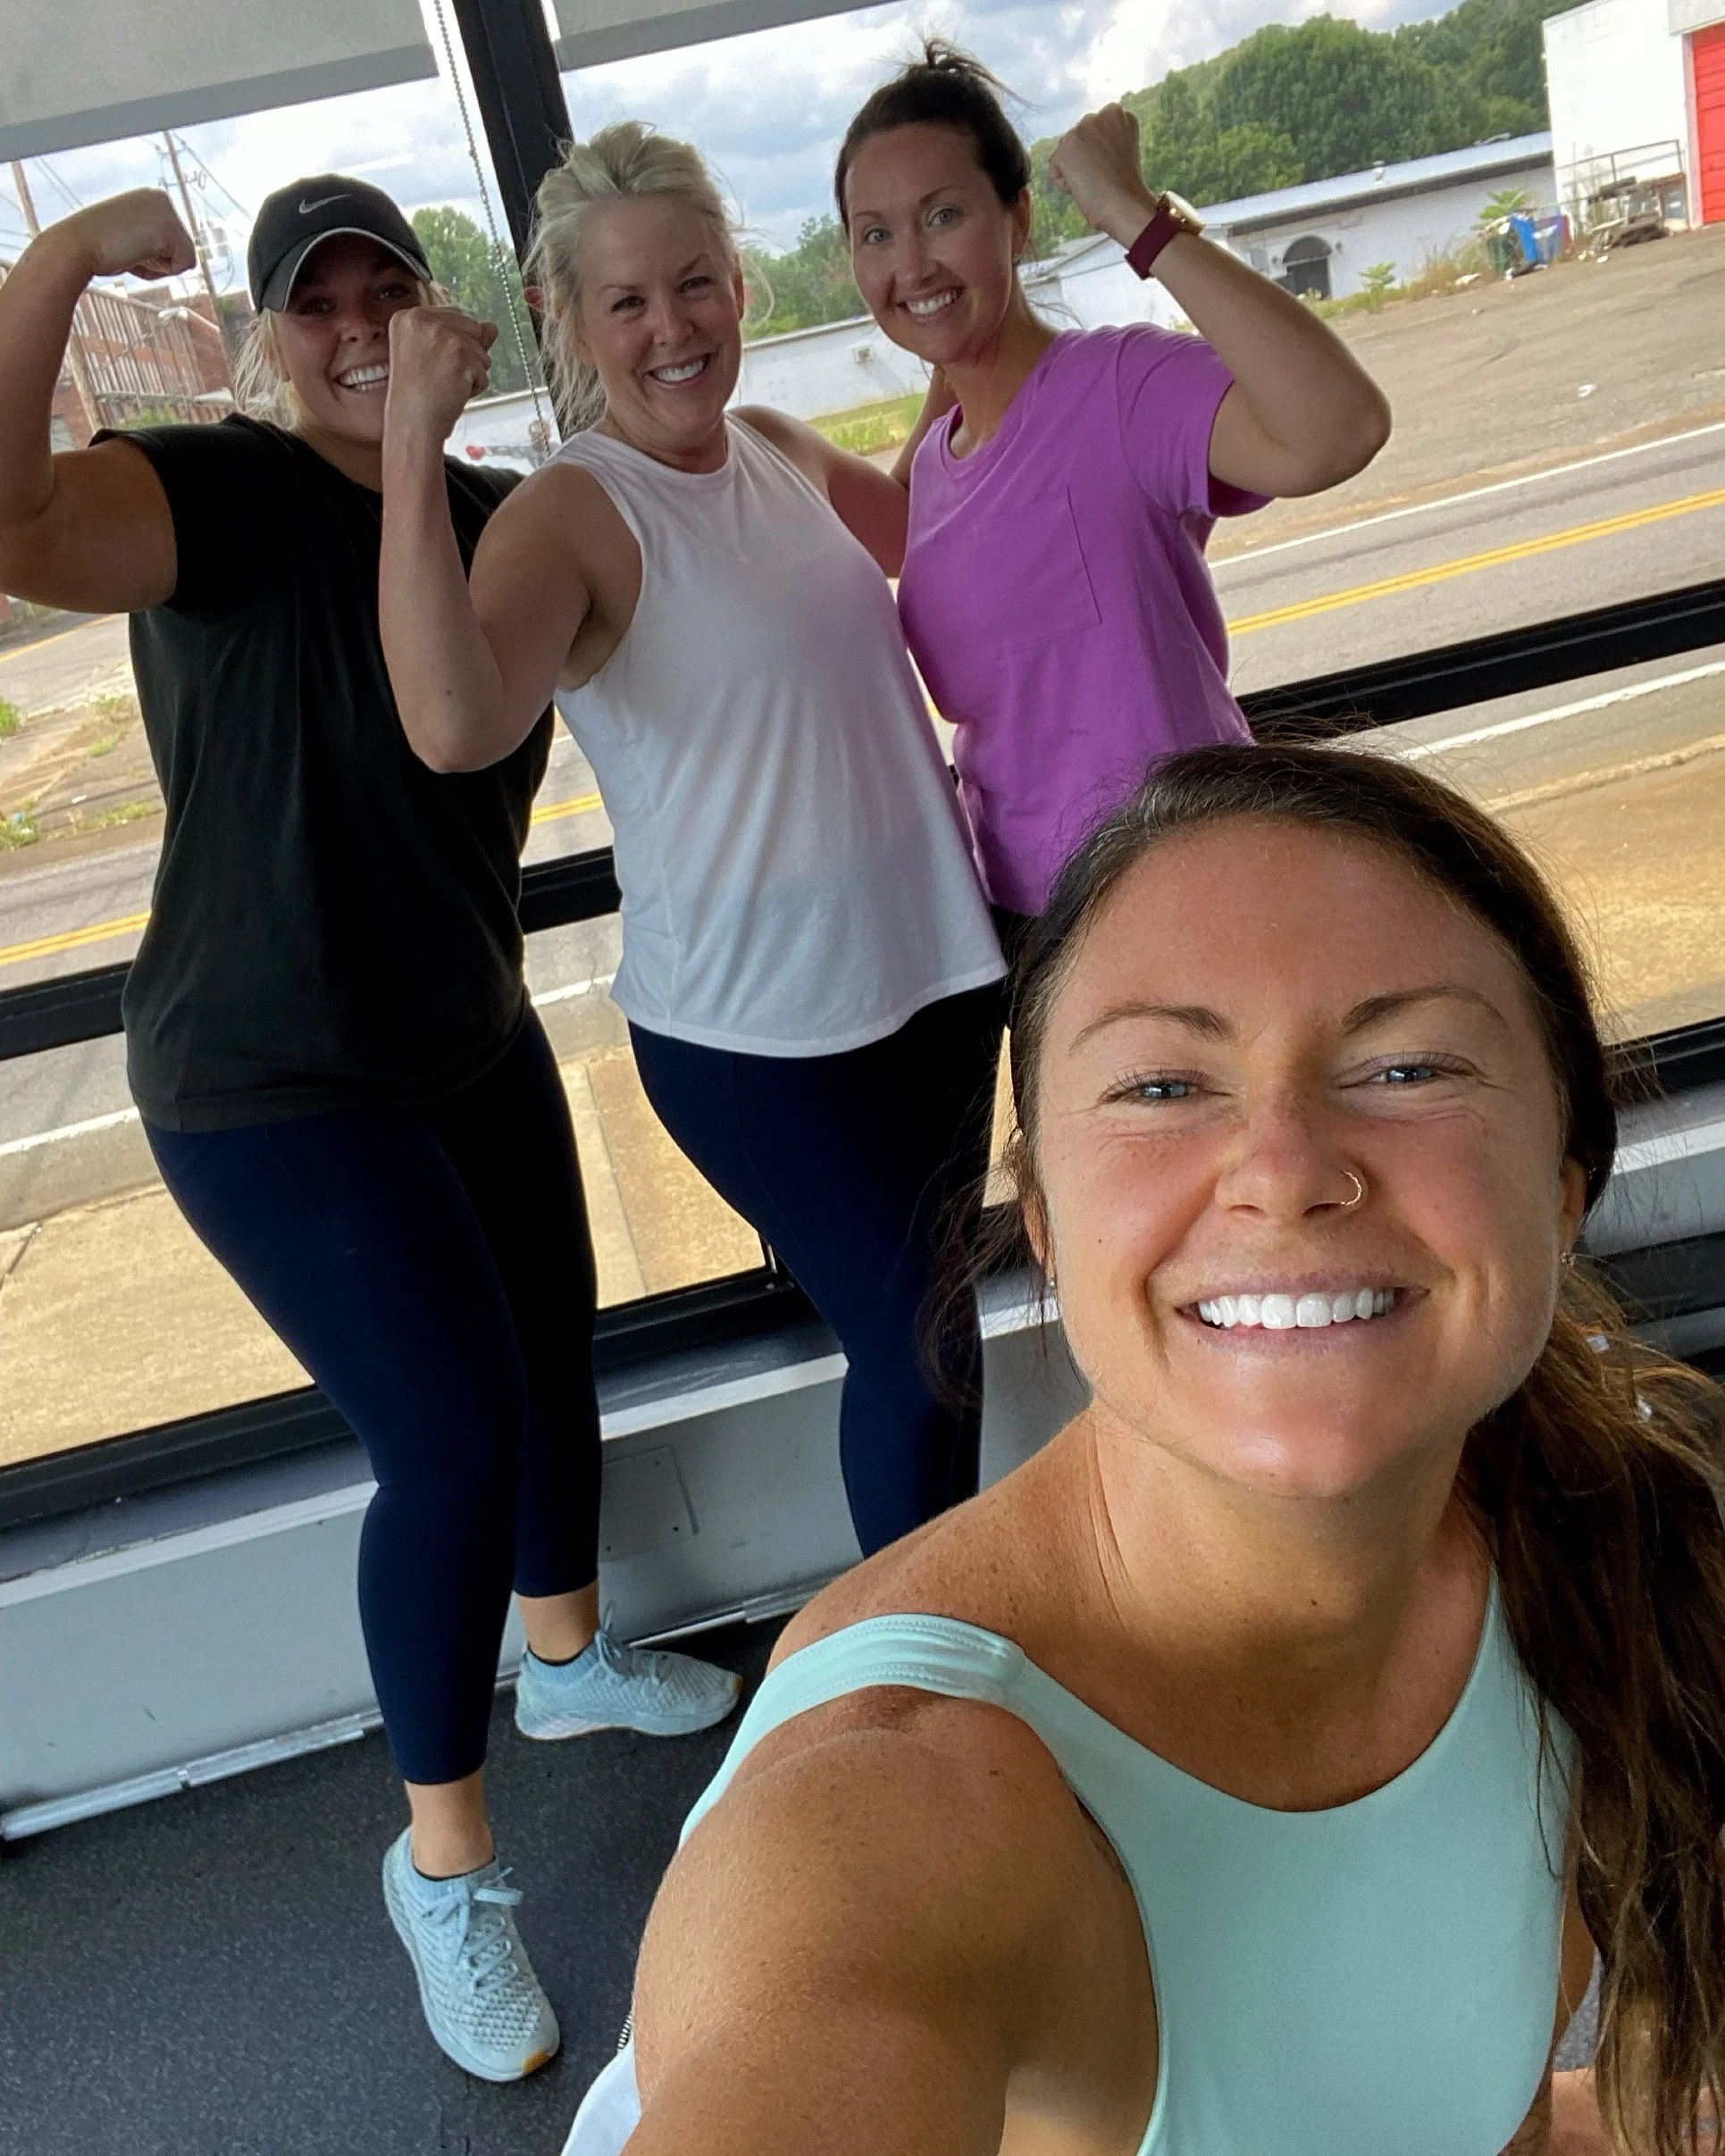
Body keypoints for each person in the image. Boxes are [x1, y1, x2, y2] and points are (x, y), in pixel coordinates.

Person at [561, 741, 1725, 2155]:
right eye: (1163, 1086)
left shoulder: (1598, 1526)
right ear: (1043, 1220)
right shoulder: (891, 1815)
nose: (1285, 1168)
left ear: (1558, 1188)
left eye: (1407, 1062)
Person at [0, 176, 739, 2089]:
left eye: (382, 289)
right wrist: (57, 267)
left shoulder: (501, 523)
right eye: (310, 302)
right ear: (262, 339)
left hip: (461, 1038)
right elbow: (3, 520)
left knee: (547, 1365)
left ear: (446, 313)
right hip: (261, 1076)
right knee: (449, 1431)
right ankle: (443, 1866)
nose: (351, 323)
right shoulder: (213, 493)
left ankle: (566, 1665)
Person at [378, 123, 1007, 1562]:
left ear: (739, 284)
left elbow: (941, 532)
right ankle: (905, 1700)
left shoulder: (777, 449)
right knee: (914, 1352)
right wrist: (416, 451)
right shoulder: (570, 513)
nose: (672, 328)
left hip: (930, 974)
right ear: (568, 321)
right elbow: (453, 725)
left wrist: (965, 333)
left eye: (697, 284)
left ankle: (964, 1644)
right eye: (627, 302)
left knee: (945, 1340)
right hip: (758, 1032)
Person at [837, 46, 1394, 941]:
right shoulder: (934, 465)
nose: (912, 263)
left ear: (1016, 220)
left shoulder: (1116, 386)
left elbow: (1338, 428)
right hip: (1026, 917)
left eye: (943, 214)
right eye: (874, 233)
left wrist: (1135, 217)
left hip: (1189, 887)